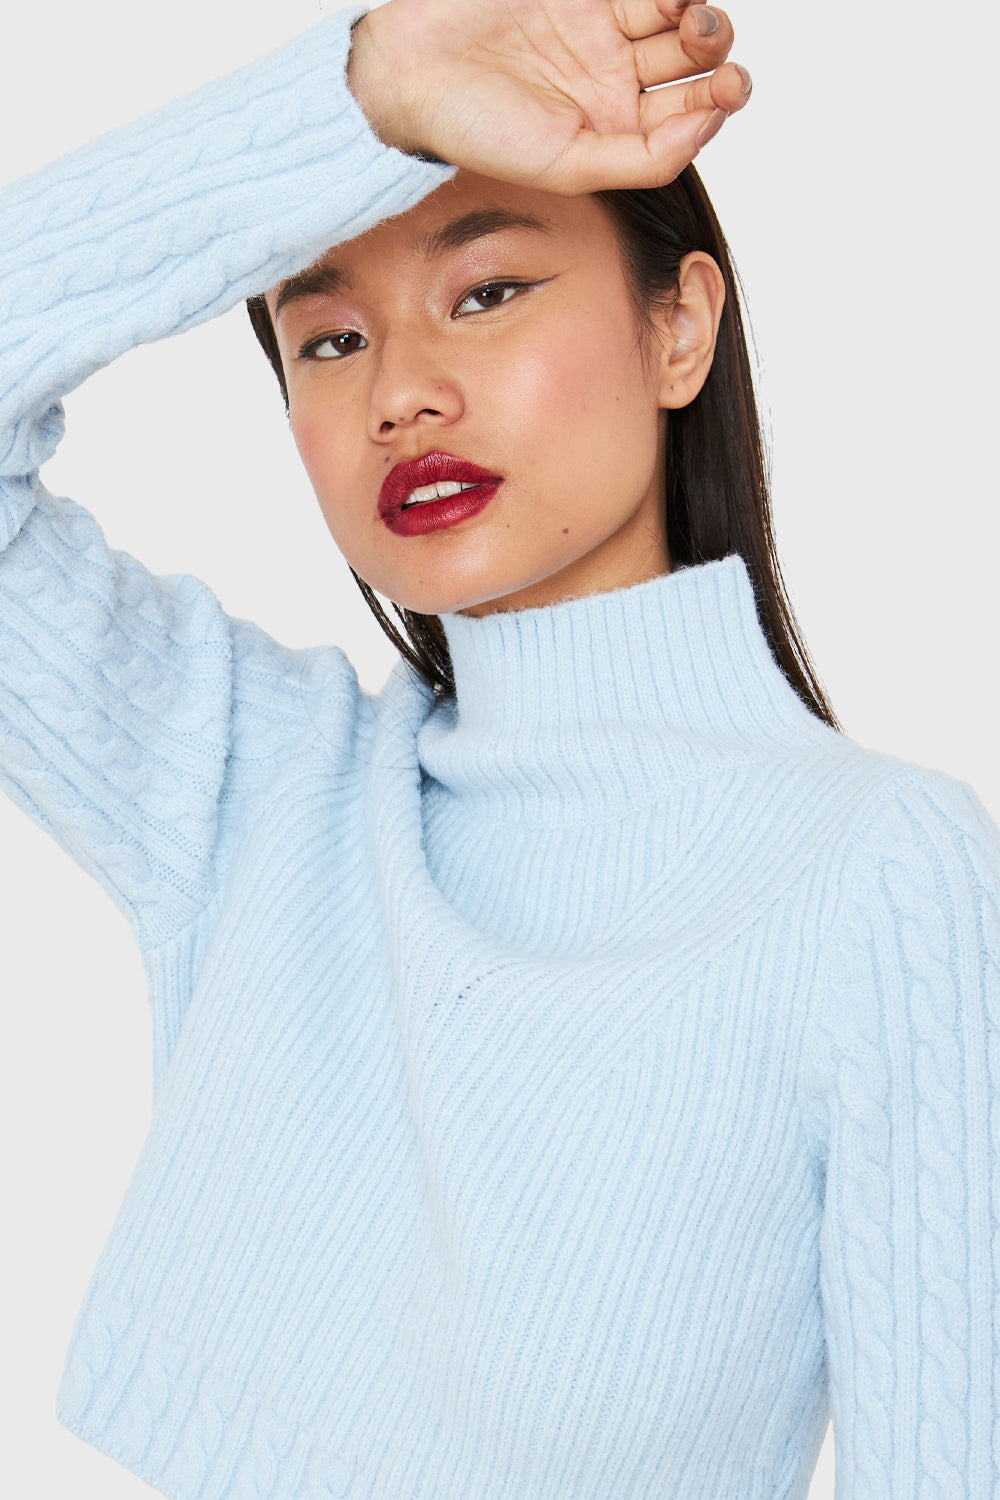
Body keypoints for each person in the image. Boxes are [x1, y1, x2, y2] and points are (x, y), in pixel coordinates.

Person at [1, 3, 997, 1499]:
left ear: (679, 328)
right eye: (329, 338)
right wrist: (366, 94)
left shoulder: (879, 881)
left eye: (487, 292)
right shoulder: (257, 791)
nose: (399, 390)